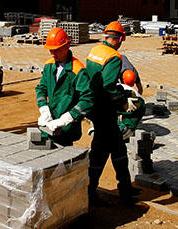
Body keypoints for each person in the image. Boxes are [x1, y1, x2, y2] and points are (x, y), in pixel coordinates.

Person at [86, 20, 140, 205]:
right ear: (120, 39)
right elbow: (108, 87)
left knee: (118, 149)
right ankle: (90, 192)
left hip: (94, 106)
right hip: (104, 110)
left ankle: (125, 188)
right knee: (100, 152)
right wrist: (123, 100)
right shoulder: (114, 57)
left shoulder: (95, 51)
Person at [35, 27, 94, 145]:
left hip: (67, 129)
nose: (52, 53)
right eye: (50, 50)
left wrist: (67, 118)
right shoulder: (49, 65)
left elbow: (88, 99)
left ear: (67, 46)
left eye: (56, 50)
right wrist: (44, 109)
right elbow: (41, 89)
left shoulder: (77, 70)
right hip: (50, 124)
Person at [116, 69, 145, 140]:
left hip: (135, 101)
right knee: (129, 127)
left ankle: (123, 132)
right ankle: (127, 132)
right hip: (141, 103)